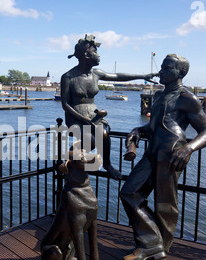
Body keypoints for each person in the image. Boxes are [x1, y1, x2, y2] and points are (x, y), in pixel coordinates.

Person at [119, 54, 206, 260]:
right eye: (161, 67)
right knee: (129, 192)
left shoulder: (186, 98)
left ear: (180, 73)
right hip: (152, 152)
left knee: (165, 204)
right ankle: (153, 244)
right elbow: (156, 126)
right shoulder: (159, 96)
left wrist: (188, 148)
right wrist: (138, 130)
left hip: (171, 154)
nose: (161, 71)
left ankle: (152, 247)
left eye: (166, 67)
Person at [61, 34, 157, 180]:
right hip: (76, 116)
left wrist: (142, 76)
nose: (99, 56)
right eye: (96, 52)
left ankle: (107, 164)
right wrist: (84, 119)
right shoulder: (68, 77)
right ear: (86, 55)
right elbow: (65, 104)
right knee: (93, 139)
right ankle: (72, 158)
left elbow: (118, 76)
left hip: (94, 114)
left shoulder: (96, 74)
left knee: (105, 132)